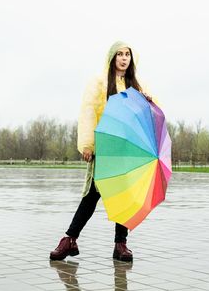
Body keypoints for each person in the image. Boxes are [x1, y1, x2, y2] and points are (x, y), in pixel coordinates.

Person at [50, 41, 151, 262]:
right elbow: (88, 111)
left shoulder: (135, 85)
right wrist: (88, 144)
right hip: (104, 147)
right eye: (120, 54)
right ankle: (69, 239)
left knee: (124, 196)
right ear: (112, 57)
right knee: (92, 195)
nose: (124, 58)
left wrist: (149, 102)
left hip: (126, 149)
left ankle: (120, 244)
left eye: (128, 55)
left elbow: (143, 115)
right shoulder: (99, 82)